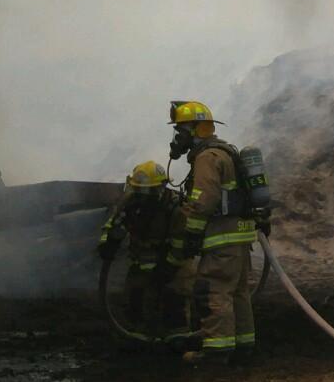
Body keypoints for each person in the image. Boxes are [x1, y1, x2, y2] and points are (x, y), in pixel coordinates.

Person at [162, 101, 257, 364]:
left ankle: (217, 351)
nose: (177, 137)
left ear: (195, 129)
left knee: (212, 290)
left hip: (221, 238)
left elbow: (203, 201)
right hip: (238, 236)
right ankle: (242, 344)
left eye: (181, 131)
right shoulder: (225, 152)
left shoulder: (206, 158)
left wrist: (191, 234)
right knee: (237, 292)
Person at [97, 160, 189, 342]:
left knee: (173, 299)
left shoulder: (176, 207)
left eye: (148, 191)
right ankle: (138, 339)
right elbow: (112, 224)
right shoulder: (130, 202)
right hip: (140, 263)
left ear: (161, 187)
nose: (143, 195)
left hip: (172, 264)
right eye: (139, 190)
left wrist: (169, 266)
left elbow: (182, 244)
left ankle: (178, 338)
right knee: (135, 301)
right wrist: (108, 243)